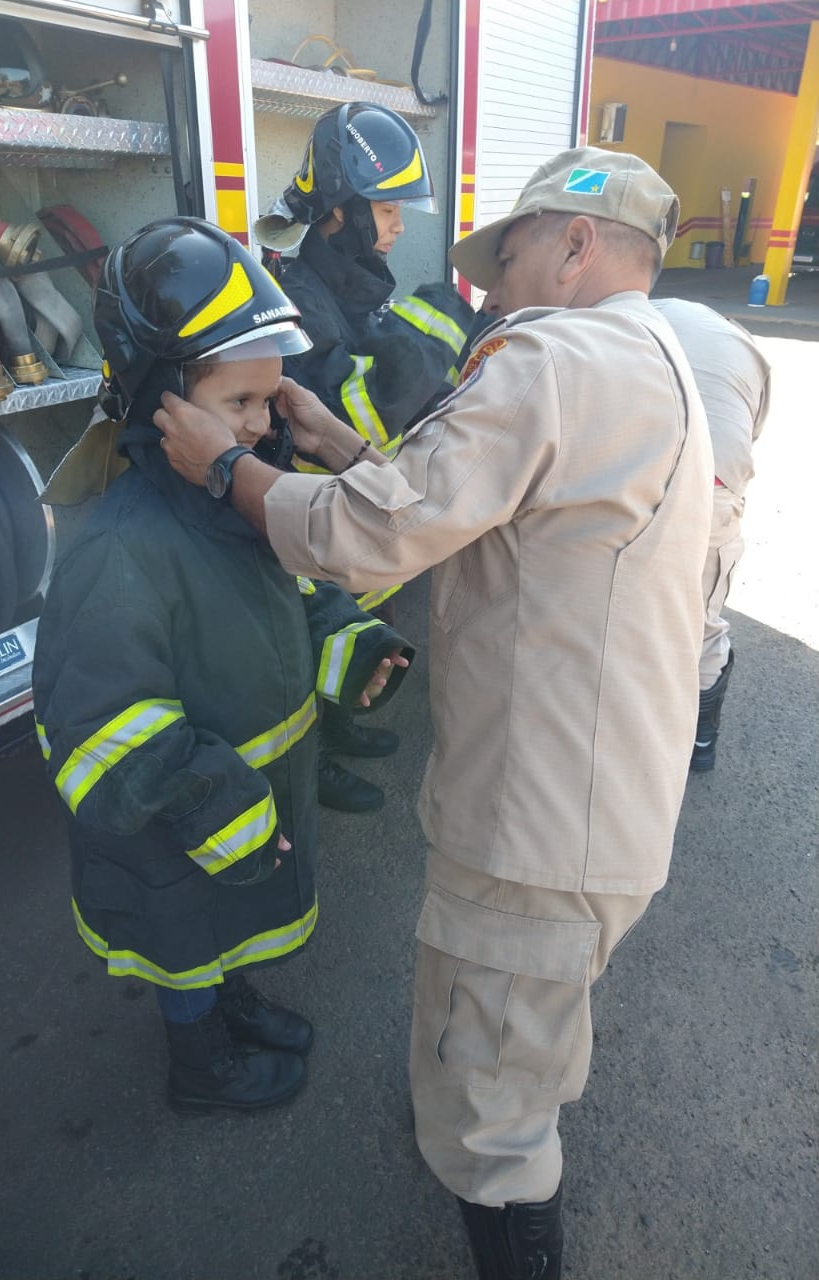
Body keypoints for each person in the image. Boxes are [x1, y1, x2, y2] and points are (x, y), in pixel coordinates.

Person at [154, 148, 714, 1277]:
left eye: (506, 260)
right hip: (599, 800)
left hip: (538, 824)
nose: (491, 292)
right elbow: (485, 509)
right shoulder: (651, 356)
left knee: (492, 1104)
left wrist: (224, 469)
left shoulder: (555, 355)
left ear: (575, 242)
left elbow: (372, 538)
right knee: (512, 1032)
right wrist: (330, 439)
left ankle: (504, 1207)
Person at [31, 217, 412, 1116]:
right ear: (161, 402)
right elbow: (102, 730)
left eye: (270, 401)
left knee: (217, 927)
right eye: (239, 402)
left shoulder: (226, 506)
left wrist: (350, 643)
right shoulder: (121, 550)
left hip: (235, 808)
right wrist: (214, 802)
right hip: (173, 824)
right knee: (181, 939)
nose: (262, 426)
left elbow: (278, 602)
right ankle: (200, 1063)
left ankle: (226, 996)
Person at [255, 100, 475, 814]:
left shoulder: (350, 281)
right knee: (305, 643)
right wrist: (436, 332)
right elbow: (355, 414)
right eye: (386, 210)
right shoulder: (297, 298)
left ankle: (340, 723)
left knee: (347, 623)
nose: (399, 226)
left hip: (347, 510)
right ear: (340, 210)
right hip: (306, 515)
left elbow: (395, 378)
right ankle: (311, 759)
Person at [650, 297, 771, 772]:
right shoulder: (745, 349)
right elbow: (749, 431)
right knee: (700, 618)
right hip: (715, 481)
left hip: (636, 470)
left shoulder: (634, 314)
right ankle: (699, 742)